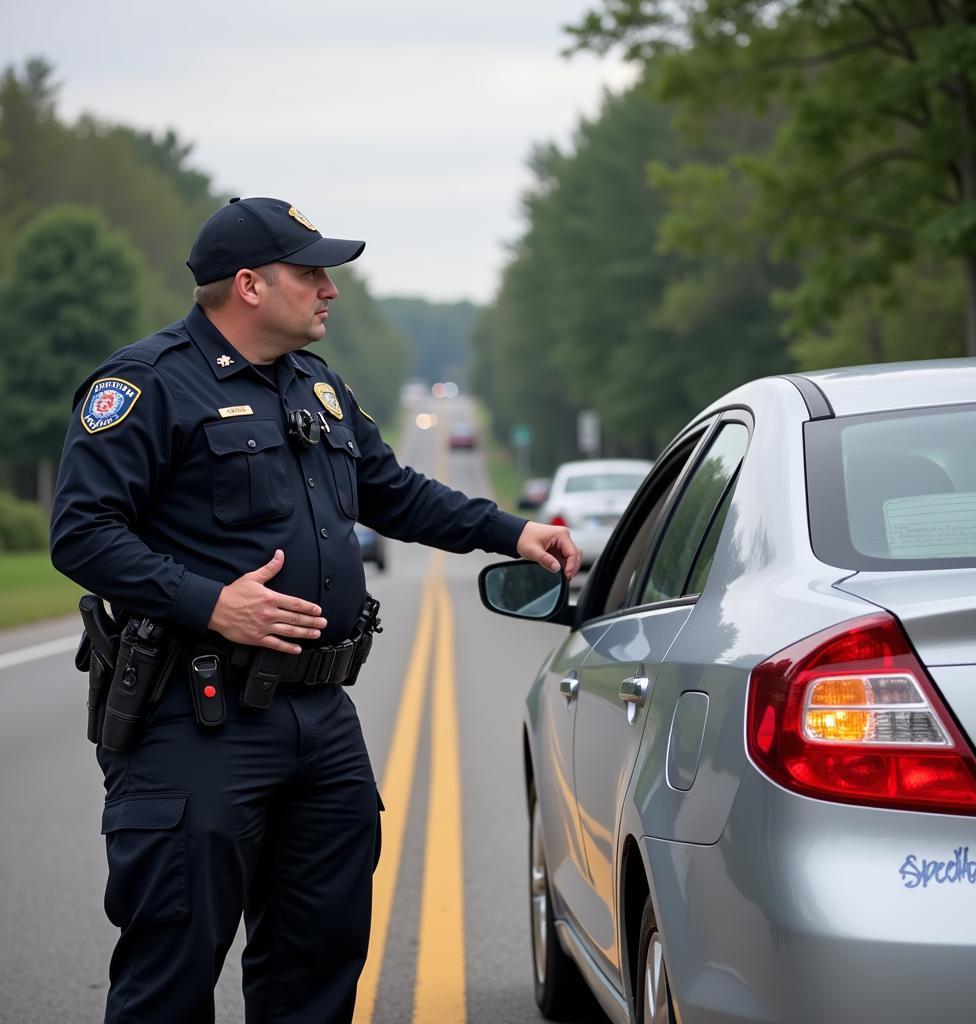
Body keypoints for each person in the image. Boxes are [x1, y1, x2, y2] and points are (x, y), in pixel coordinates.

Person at [50, 196, 580, 1024]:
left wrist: (511, 533)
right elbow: (81, 533)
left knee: (320, 960)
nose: (329, 289)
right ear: (250, 285)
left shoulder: (316, 386)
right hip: (194, 718)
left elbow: (391, 492)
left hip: (318, 716)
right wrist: (213, 604)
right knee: (172, 970)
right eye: (311, 273)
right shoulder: (146, 385)